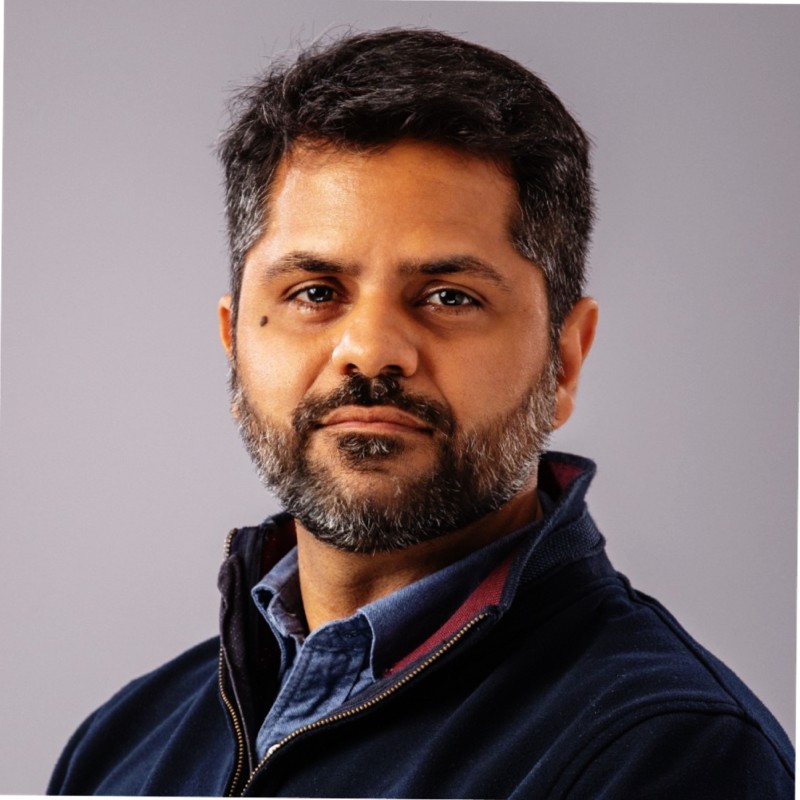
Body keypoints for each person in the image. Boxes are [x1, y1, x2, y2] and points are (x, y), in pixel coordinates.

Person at [47, 27, 793, 798]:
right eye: (315, 292)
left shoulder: (670, 754)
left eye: (448, 297)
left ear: (565, 360)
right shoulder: (121, 746)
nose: (371, 351)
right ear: (235, 341)